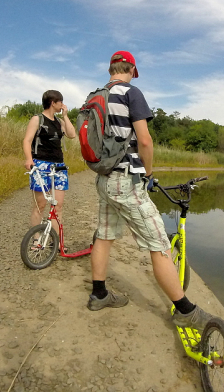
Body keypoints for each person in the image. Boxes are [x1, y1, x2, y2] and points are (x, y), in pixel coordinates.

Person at [87, 51, 214, 331]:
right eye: (134, 72)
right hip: (125, 181)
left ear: (111, 68)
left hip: (104, 179)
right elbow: (144, 141)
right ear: (131, 69)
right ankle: (185, 310)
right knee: (159, 244)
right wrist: (148, 172)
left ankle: (99, 294)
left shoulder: (96, 96)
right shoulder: (131, 93)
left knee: (104, 235)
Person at [22, 90, 76, 231]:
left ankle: (55, 240)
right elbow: (27, 141)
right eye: (61, 102)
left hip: (58, 166)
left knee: (57, 206)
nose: (62, 105)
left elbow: (72, 135)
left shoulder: (59, 121)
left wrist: (65, 115)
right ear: (53, 103)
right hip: (41, 164)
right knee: (40, 205)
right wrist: (29, 159)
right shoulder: (37, 119)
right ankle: (36, 239)